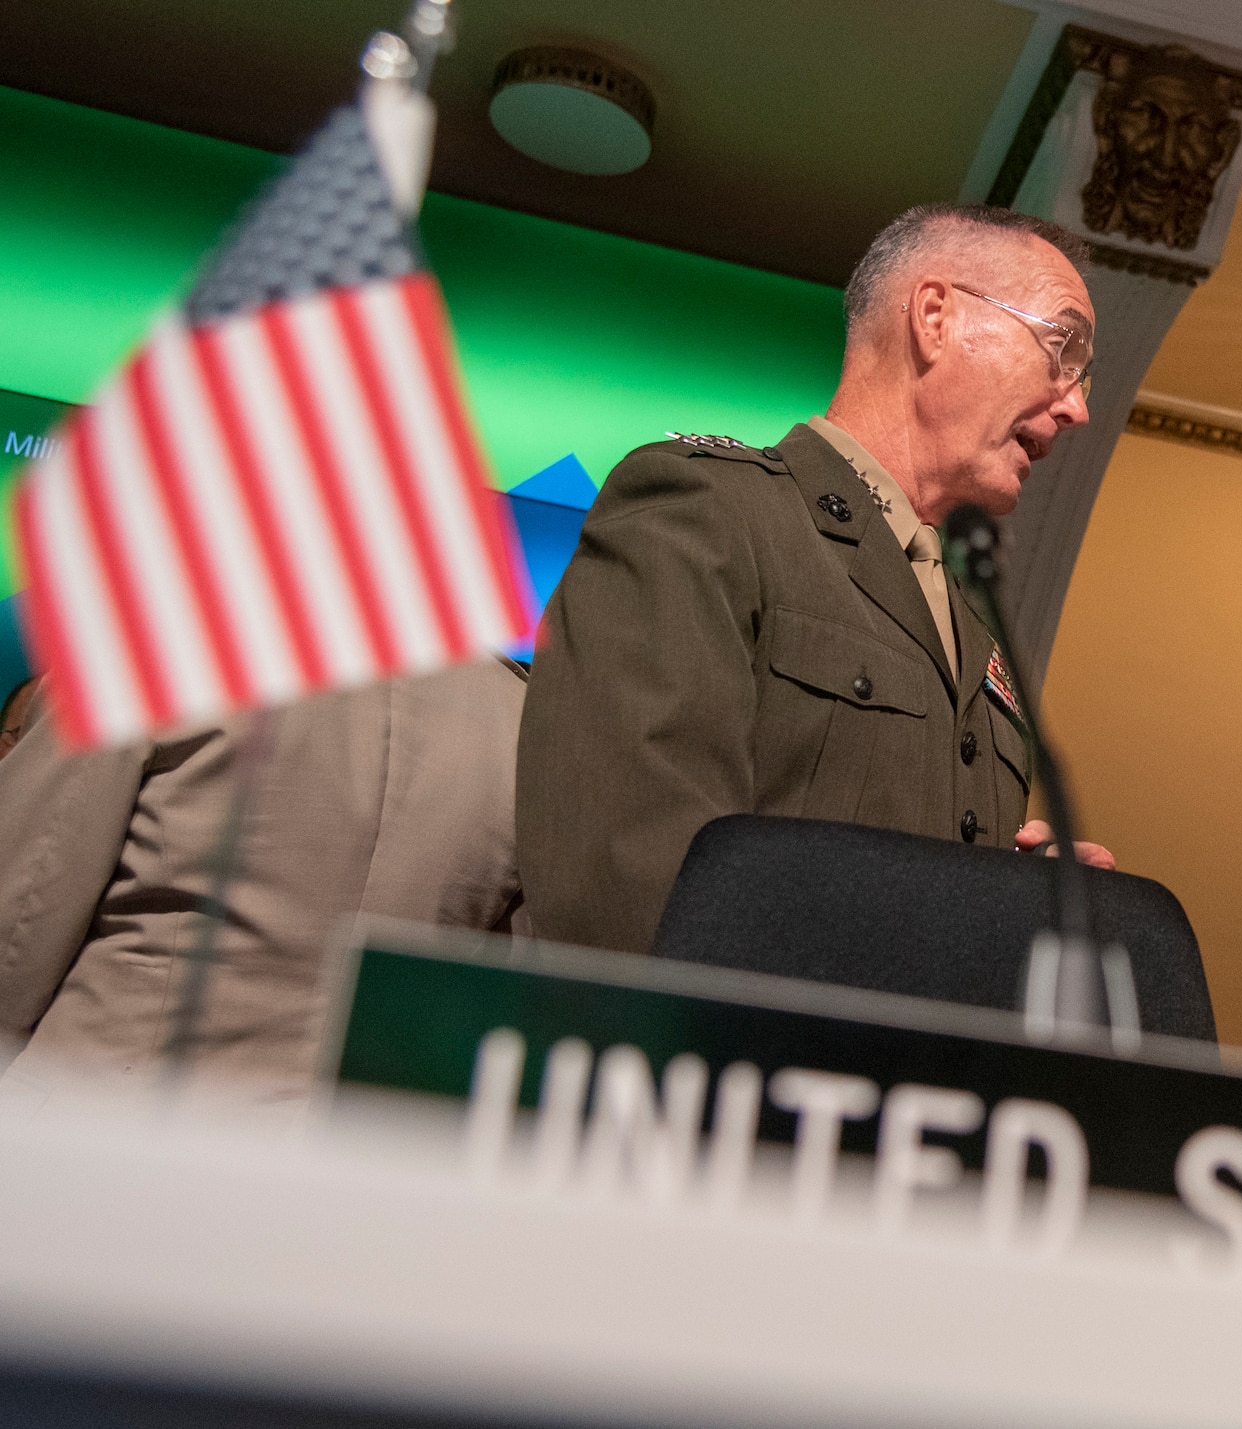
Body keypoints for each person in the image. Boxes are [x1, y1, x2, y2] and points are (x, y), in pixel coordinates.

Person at [517, 204, 1113, 957]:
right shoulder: (709, 509)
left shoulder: (974, 630)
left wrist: (1006, 907)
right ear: (935, 318)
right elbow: (623, 870)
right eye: (1063, 350)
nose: (1079, 406)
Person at [0, 657, 529, 1101]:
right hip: (346, 1163)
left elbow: (18, 926)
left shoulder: (146, 649)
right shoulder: (518, 715)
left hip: (101, 1122)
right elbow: (505, 981)